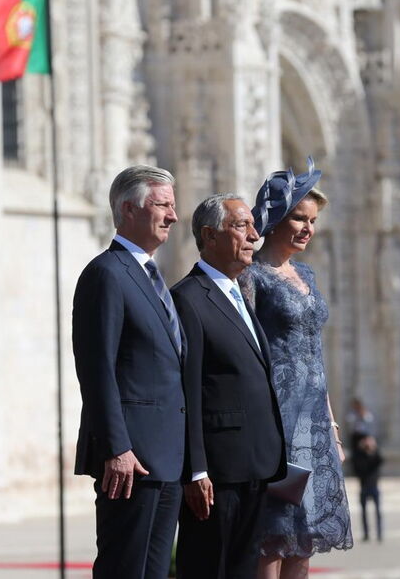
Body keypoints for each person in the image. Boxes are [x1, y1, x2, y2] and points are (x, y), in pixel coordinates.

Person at [72, 165, 186, 579]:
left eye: (173, 206)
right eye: (163, 205)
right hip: (130, 460)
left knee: (153, 572)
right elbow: (96, 368)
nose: (173, 216)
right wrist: (116, 448)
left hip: (166, 458)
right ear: (128, 209)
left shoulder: (151, 277)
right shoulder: (106, 273)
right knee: (125, 569)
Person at [242, 159, 353, 579]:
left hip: (313, 423)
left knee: (303, 537)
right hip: (278, 419)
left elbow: (314, 352)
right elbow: (249, 351)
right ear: (275, 218)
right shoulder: (252, 276)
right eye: (299, 218)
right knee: (273, 535)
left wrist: (331, 422)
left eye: (313, 220)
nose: (308, 228)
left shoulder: (305, 274)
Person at [171, 193, 287, 579]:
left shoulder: (240, 293)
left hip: (255, 462)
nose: (255, 235)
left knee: (241, 570)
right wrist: (196, 470)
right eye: (242, 226)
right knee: (209, 567)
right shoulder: (188, 298)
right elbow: (186, 390)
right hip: (218, 471)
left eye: (253, 226)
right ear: (210, 235)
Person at [352, 434, 384, 542]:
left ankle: (379, 533)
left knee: (378, 512)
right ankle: (366, 534)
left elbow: (380, 460)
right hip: (364, 487)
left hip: (374, 487)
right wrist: (361, 450)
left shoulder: (375, 454)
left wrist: (373, 449)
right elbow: (358, 468)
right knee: (364, 512)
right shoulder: (359, 456)